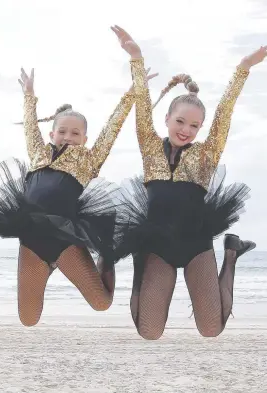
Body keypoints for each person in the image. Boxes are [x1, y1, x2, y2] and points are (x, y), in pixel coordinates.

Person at [0, 64, 155, 326]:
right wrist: (29, 96)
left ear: (85, 138)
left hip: (65, 240)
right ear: (52, 134)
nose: (68, 137)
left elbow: (112, 128)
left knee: (102, 303)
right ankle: (47, 268)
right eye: (63, 132)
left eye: (75, 133)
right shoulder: (39, 153)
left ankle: (107, 258)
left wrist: (132, 93)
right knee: (28, 319)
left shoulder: (88, 160)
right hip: (31, 239)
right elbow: (30, 127)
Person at [110, 25, 261, 339]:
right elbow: (141, 106)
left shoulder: (206, 153)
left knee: (211, 329)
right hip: (156, 247)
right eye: (180, 121)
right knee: (149, 332)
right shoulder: (150, 146)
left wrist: (243, 68)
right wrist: (136, 58)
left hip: (195, 245)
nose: (186, 130)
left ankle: (231, 253)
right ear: (167, 118)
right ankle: (140, 261)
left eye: (194, 126)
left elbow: (225, 111)